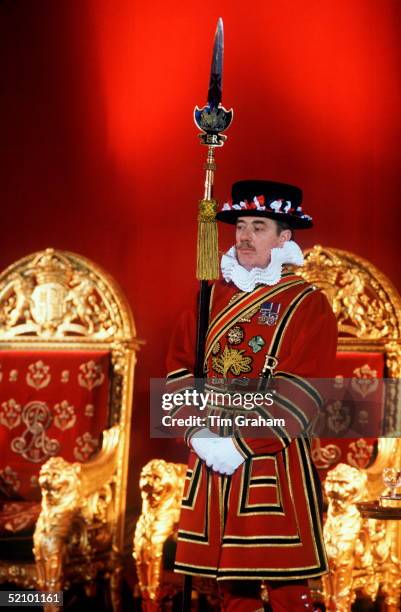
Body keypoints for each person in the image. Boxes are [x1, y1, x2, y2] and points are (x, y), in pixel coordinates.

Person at [166, 180, 337, 611]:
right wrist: (198, 435)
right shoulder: (209, 297)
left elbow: (305, 393)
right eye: (240, 225)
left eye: (258, 226)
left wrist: (240, 443)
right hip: (209, 454)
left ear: (284, 238)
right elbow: (178, 371)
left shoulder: (308, 303)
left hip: (270, 460)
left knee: (285, 588)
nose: (244, 235)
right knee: (229, 588)